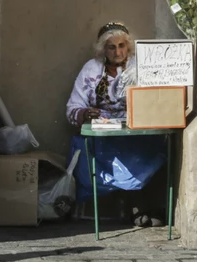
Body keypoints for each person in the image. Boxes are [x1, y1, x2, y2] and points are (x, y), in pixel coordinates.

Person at [65, 22, 166, 227]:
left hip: (136, 133)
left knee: (149, 148)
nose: (117, 51)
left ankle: (137, 205)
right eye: (112, 47)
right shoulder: (91, 69)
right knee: (93, 150)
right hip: (103, 136)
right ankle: (135, 207)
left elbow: (155, 99)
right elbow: (72, 107)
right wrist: (85, 113)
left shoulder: (139, 67)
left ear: (128, 46)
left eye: (121, 46)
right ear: (104, 49)